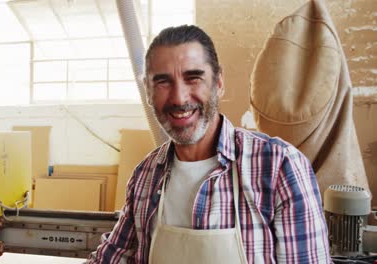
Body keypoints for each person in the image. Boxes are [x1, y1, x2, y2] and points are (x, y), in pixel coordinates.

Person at [87, 25, 331, 264]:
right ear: (148, 92)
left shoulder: (279, 166)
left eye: (193, 78)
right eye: (163, 82)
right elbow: (112, 258)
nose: (179, 98)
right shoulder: (145, 176)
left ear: (218, 81)